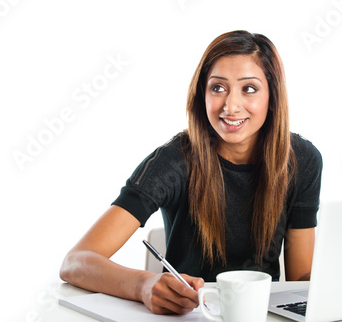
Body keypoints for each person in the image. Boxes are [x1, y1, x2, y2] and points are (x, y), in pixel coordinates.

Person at [59, 30, 322, 315]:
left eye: (249, 89)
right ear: (202, 94)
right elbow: (76, 262)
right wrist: (144, 285)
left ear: (272, 97)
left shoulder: (302, 160)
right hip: (188, 315)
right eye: (218, 88)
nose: (231, 106)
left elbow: (301, 282)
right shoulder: (175, 160)